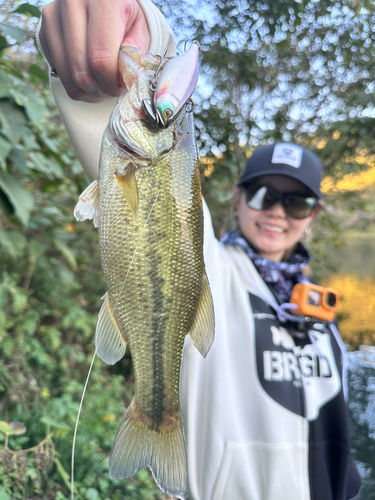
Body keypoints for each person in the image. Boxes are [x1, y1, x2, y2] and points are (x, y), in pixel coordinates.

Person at [38, 1, 362, 499]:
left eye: (296, 202)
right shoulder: (210, 264)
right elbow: (116, 119)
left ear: (313, 216)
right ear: (236, 198)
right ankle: (154, 417)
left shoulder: (319, 309)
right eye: (262, 195)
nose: (277, 211)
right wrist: (140, 37)